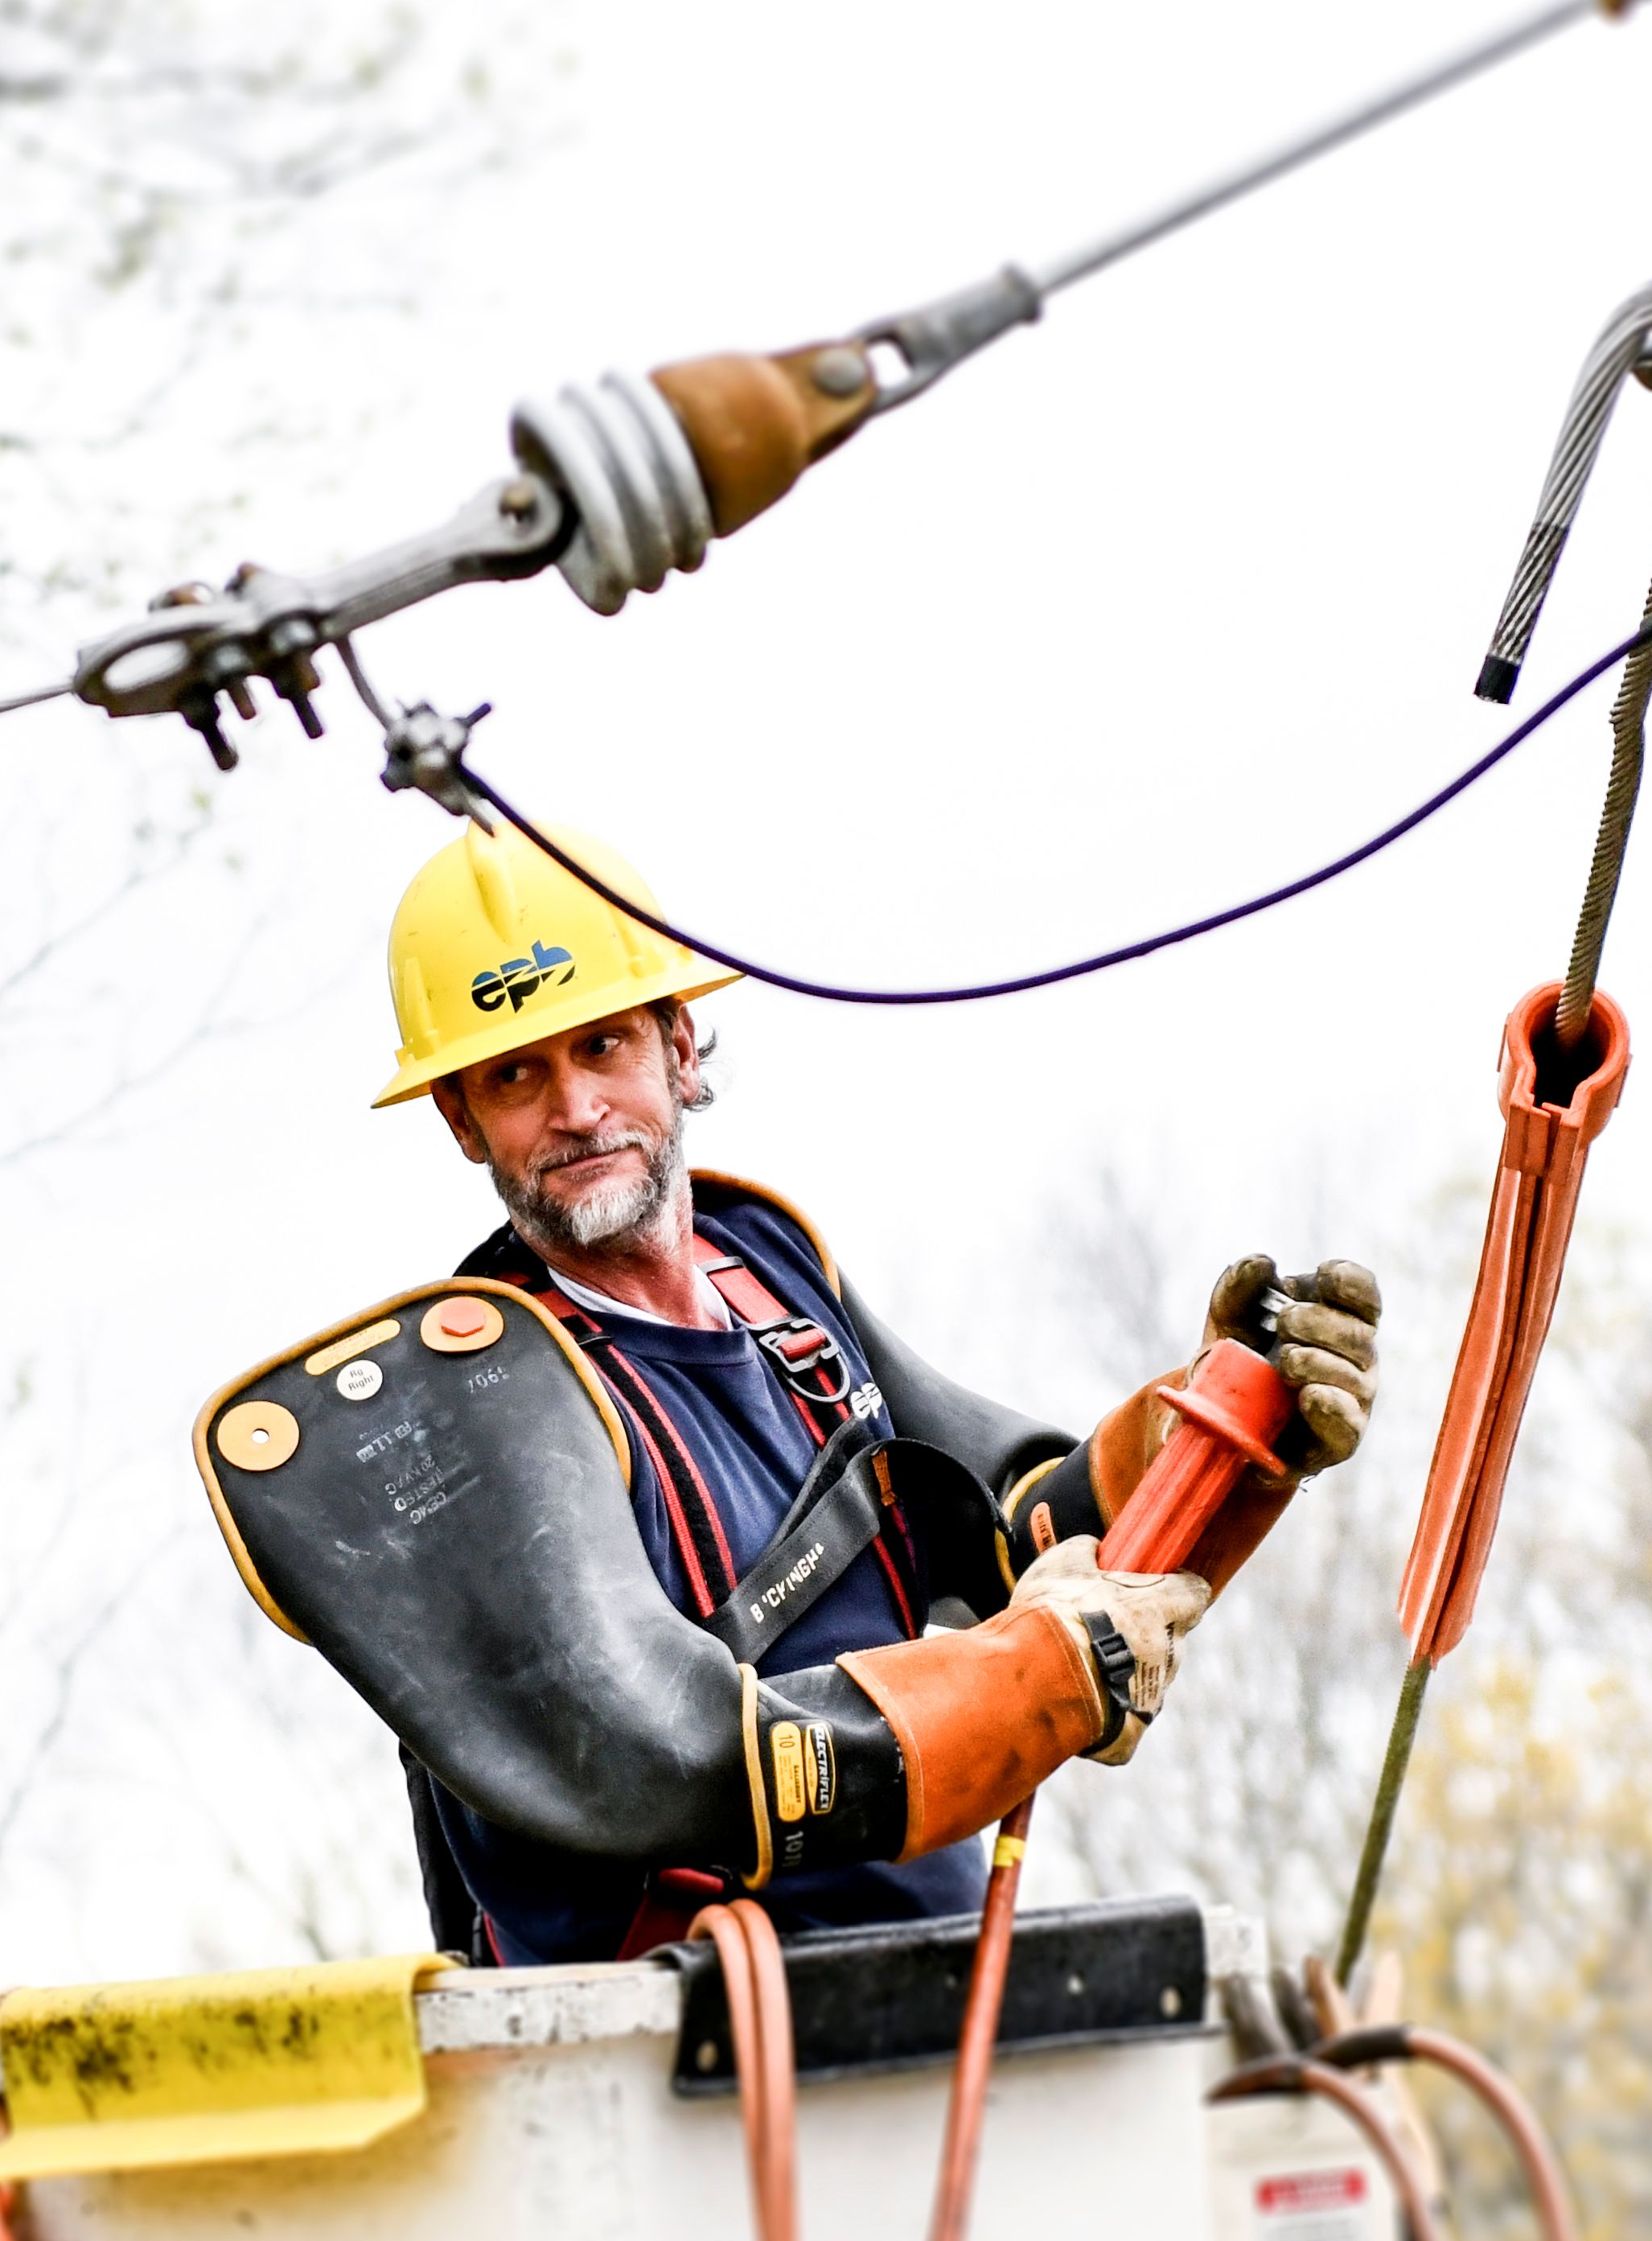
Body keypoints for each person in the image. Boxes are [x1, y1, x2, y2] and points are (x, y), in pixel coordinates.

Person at [198, 826, 1380, 1966]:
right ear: (464, 1121)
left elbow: (1014, 1530)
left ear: (682, 1045)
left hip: (926, 1981)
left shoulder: (770, 1282)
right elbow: (661, 1750)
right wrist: (1032, 1679)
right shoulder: (474, 1410)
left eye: (603, 1046)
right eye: (516, 1077)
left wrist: (1219, 1427)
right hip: (665, 2069)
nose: (574, 1109)